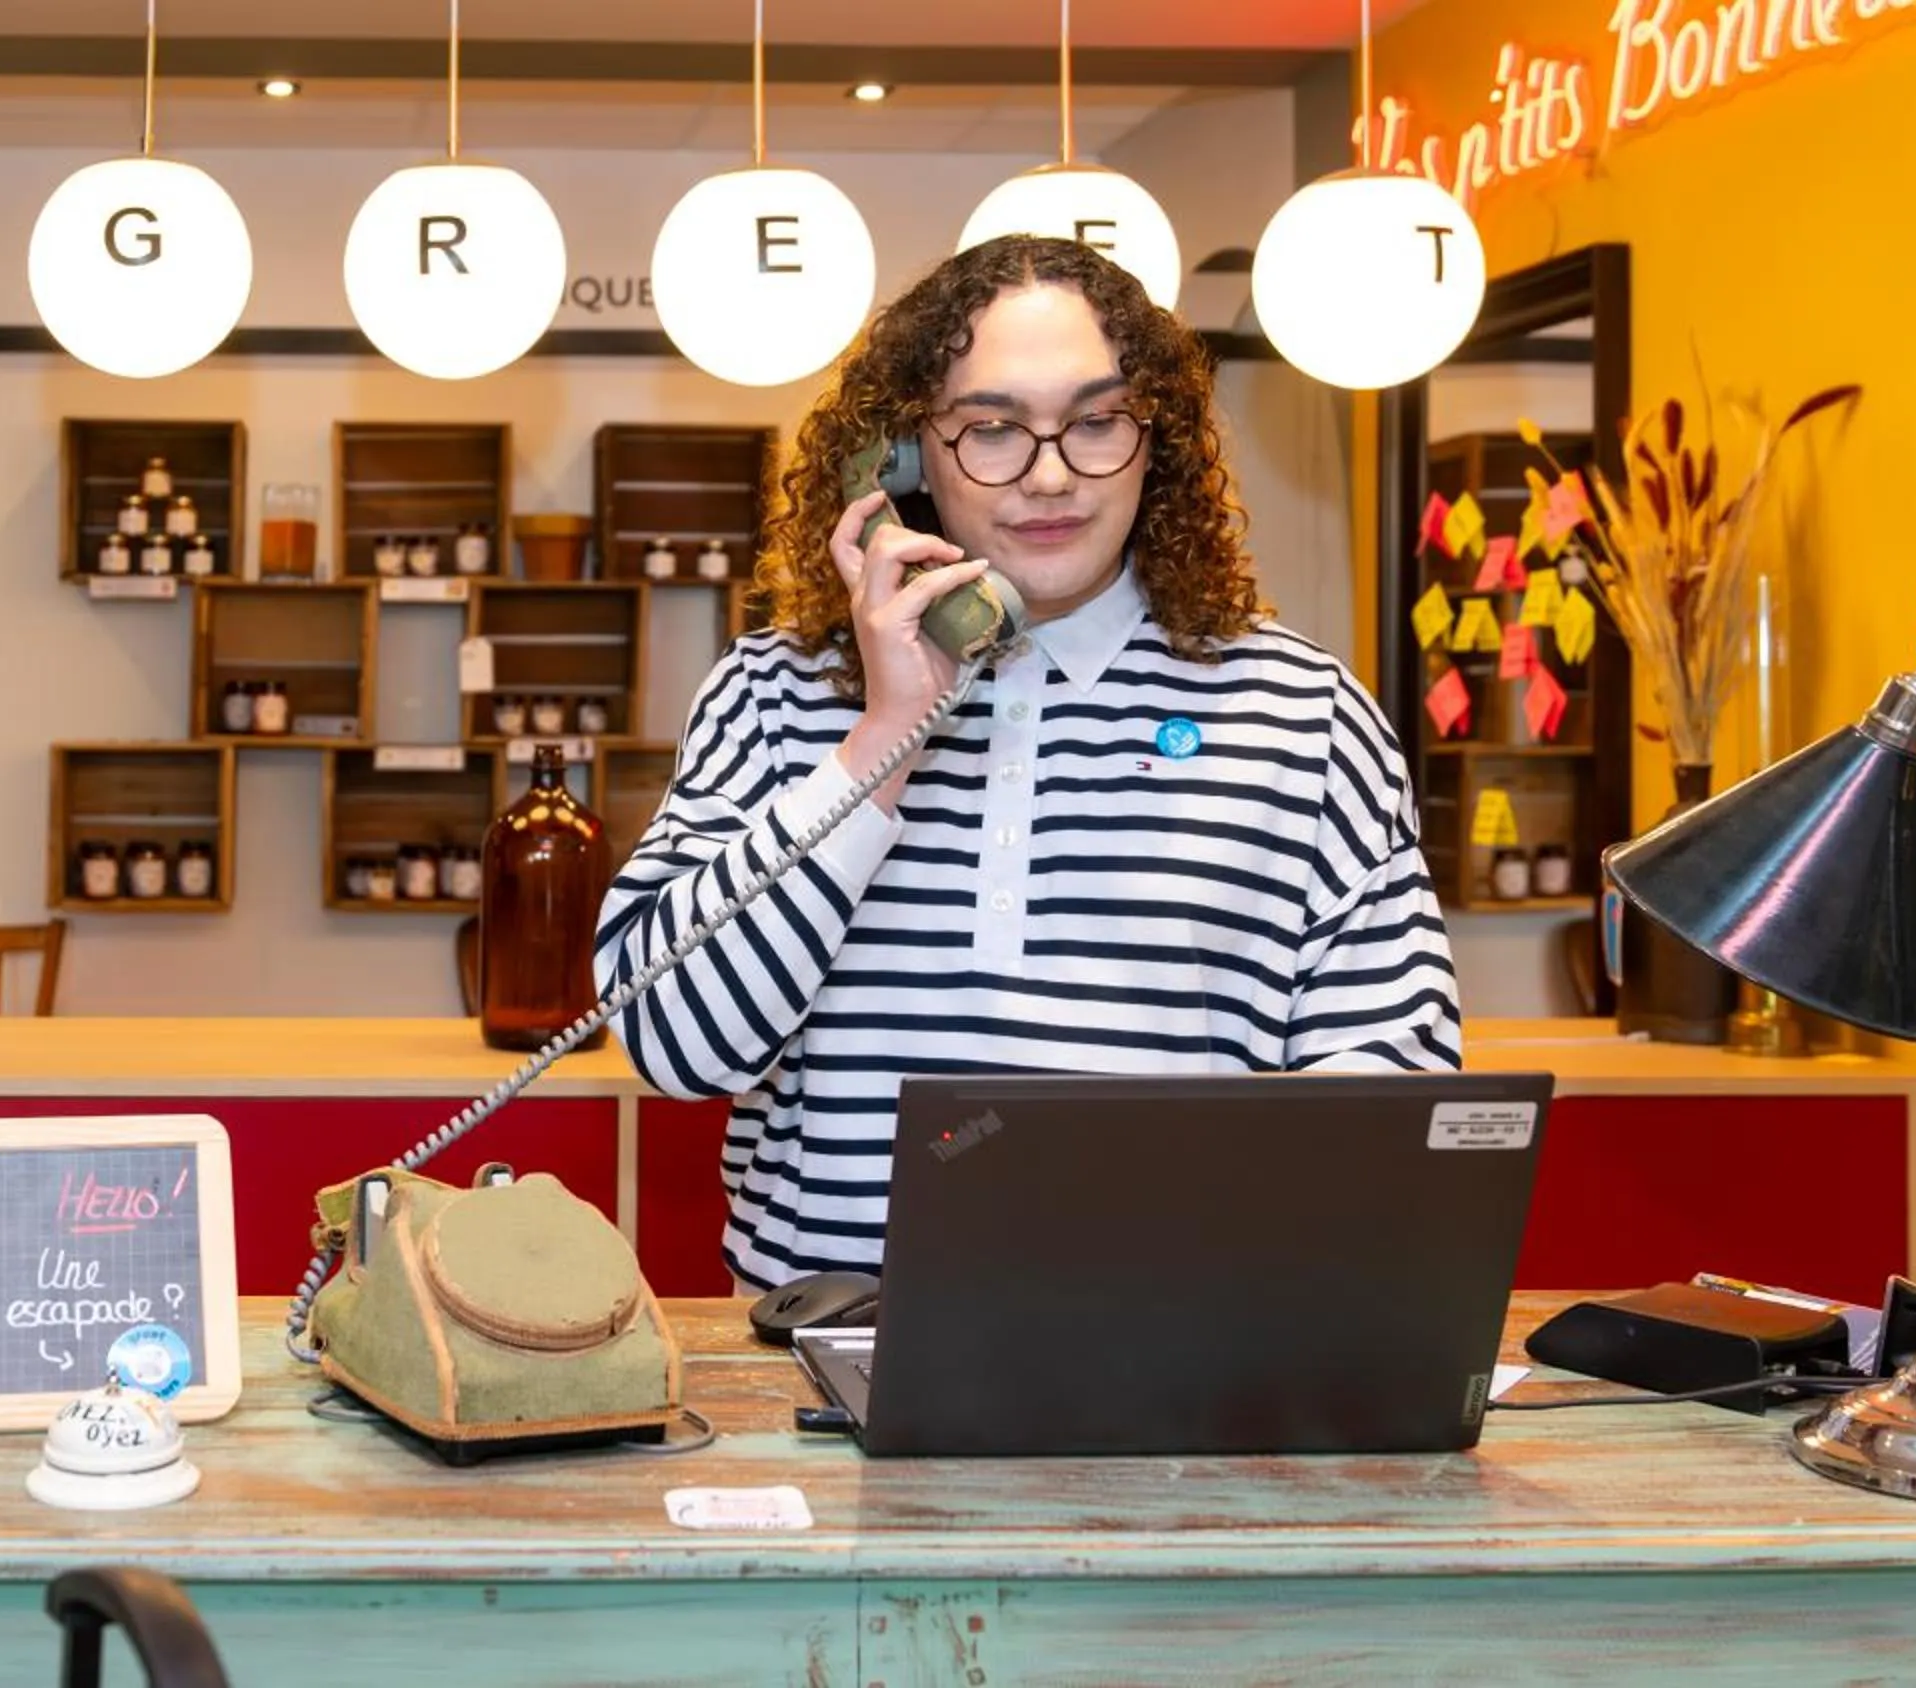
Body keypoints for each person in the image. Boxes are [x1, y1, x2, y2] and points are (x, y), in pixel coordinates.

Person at [596, 234, 1462, 1291]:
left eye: (1097, 420)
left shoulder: (1307, 715)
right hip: (816, 1362)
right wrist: (879, 742)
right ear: (903, 457)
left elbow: (1393, 1090)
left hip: (1171, 1363)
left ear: (1159, 441)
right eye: (992, 429)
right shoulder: (772, 690)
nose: (1051, 475)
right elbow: (676, 1044)